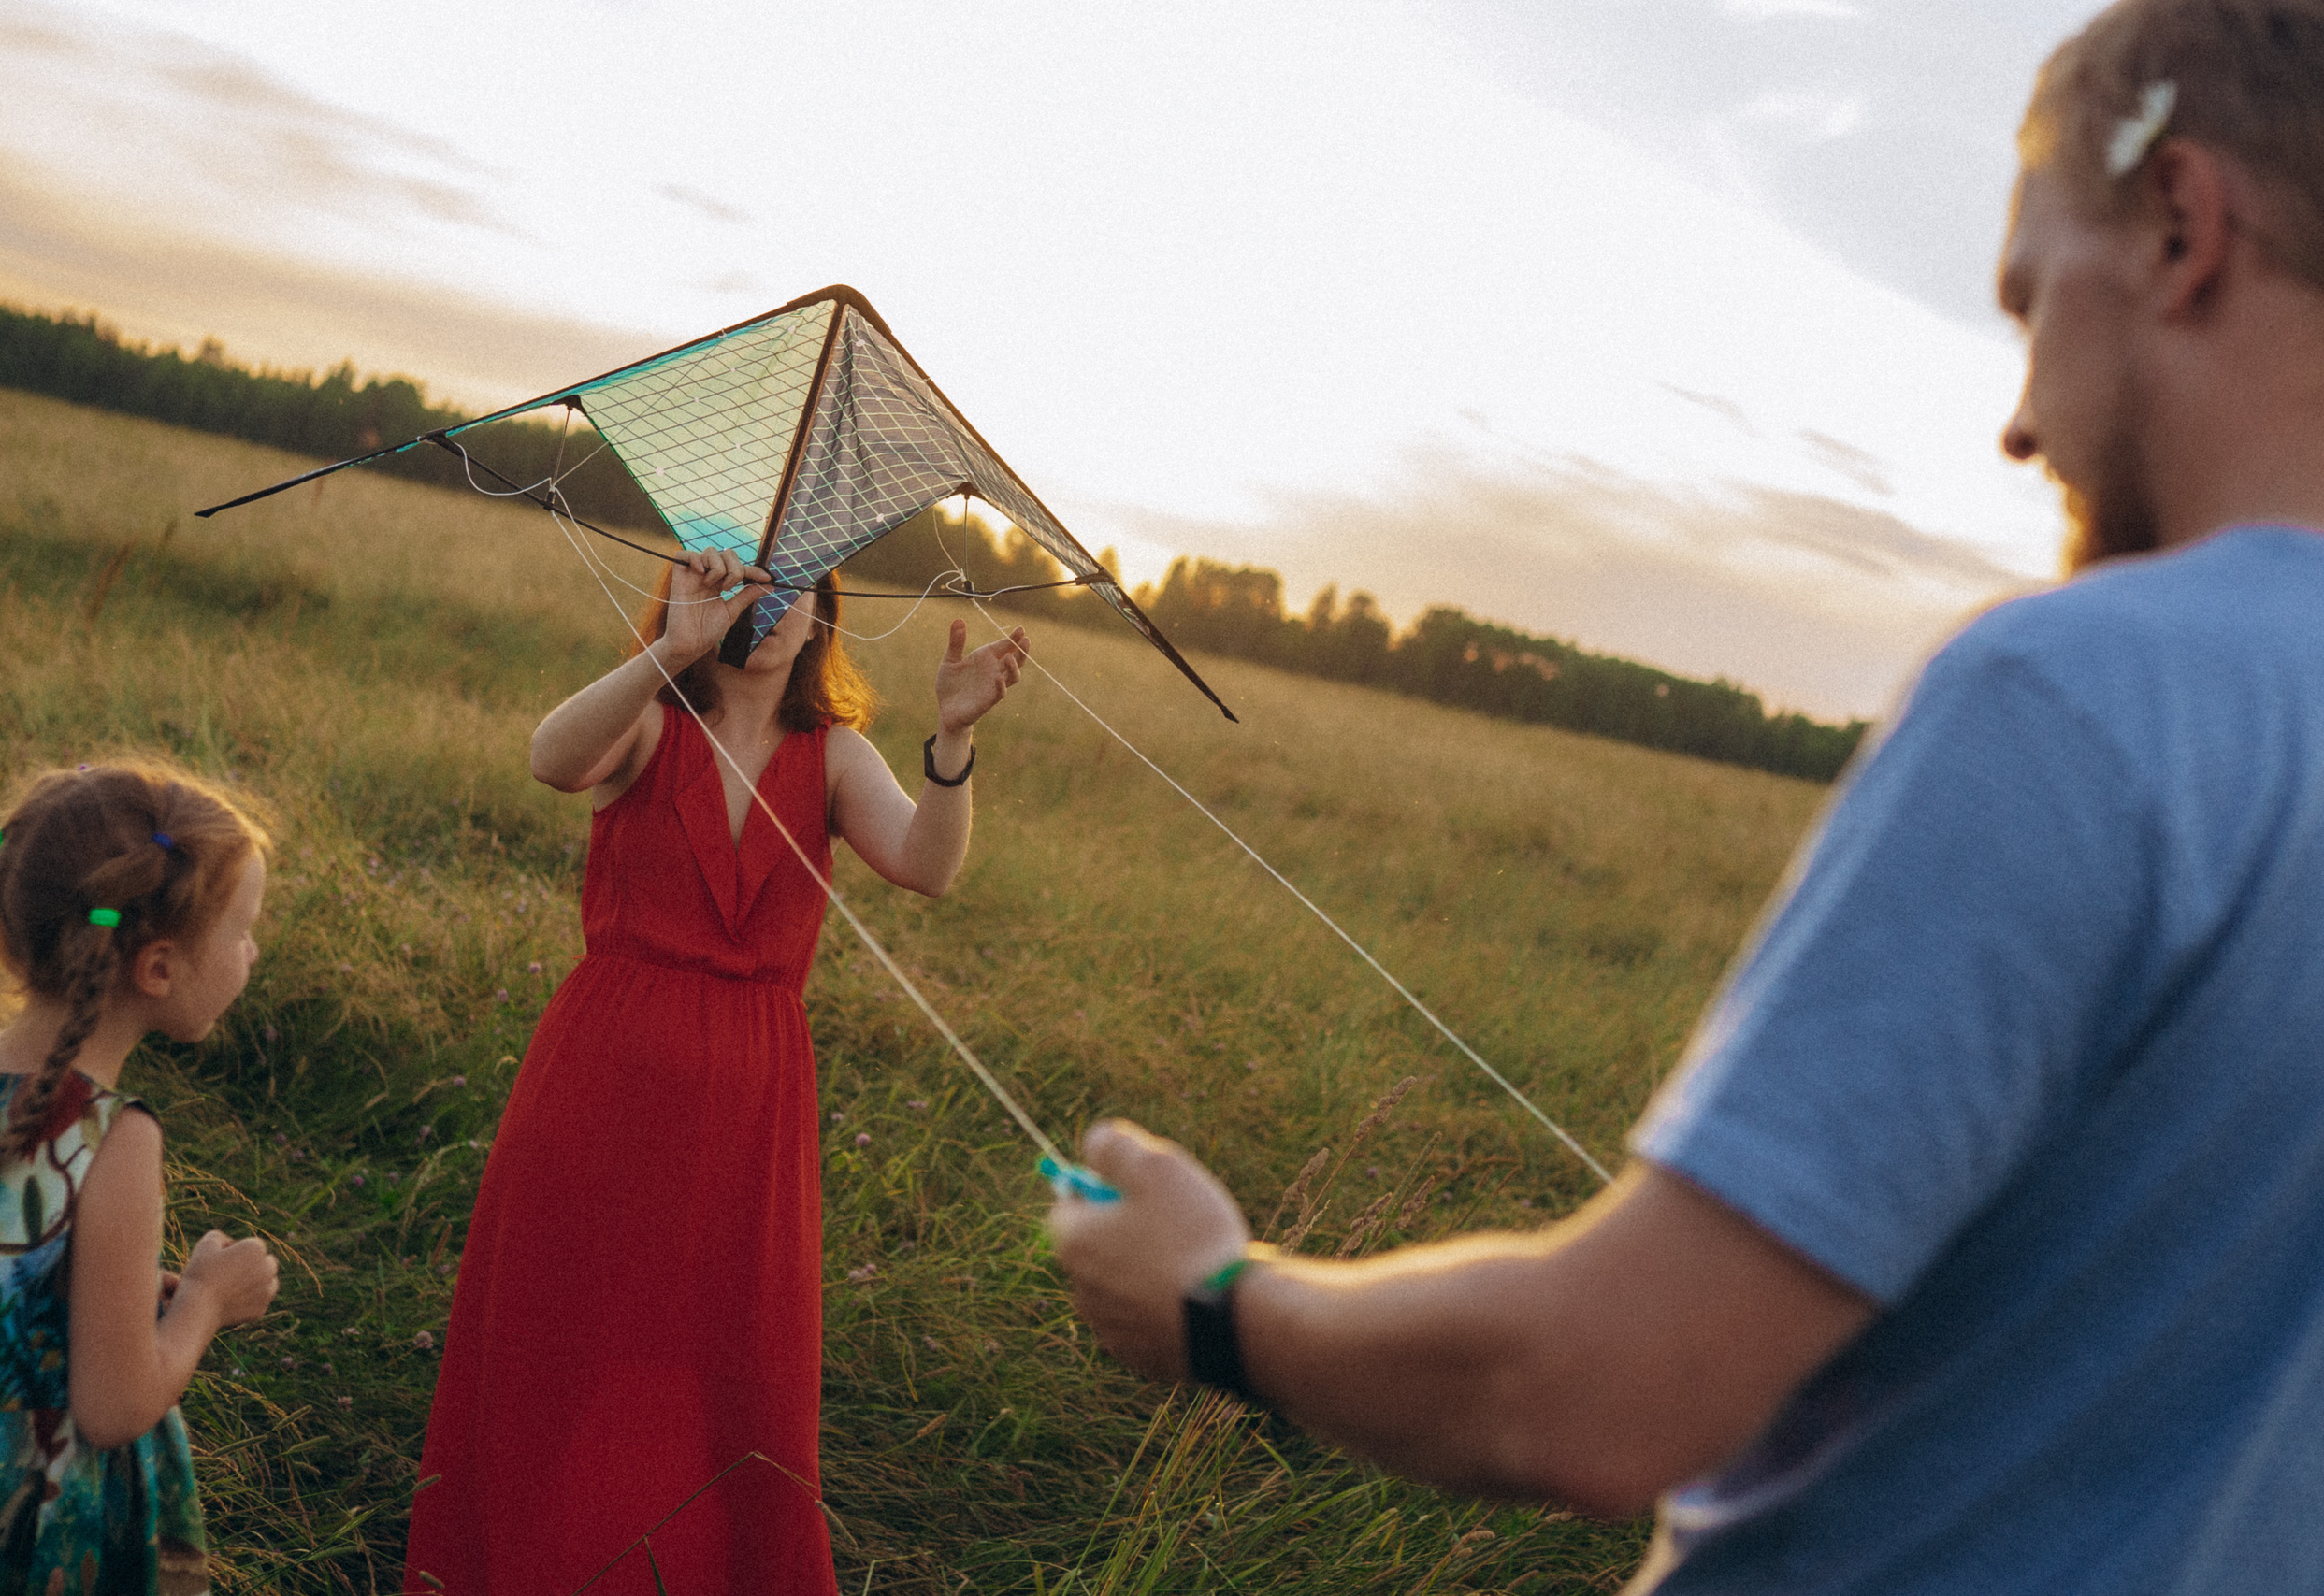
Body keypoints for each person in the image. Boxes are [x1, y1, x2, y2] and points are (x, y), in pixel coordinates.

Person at [1050, 1, 2324, 1589]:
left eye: (2028, 298)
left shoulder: (2079, 688)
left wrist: (1216, 1302)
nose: (2017, 421)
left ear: (2182, 225)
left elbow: (1594, 1392)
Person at [406, 550, 1029, 1595]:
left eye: (797, 592)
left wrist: (953, 740)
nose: (772, 611)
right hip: (601, 1077)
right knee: (567, 1333)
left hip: (752, 1099)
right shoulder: (651, 721)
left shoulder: (833, 758)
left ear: (825, 617)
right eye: (750, 585)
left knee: (723, 1355)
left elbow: (927, 865)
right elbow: (551, 759)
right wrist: (669, 650)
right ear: (708, 595)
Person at [0, 762, 282, 1593]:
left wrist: (95, 1293)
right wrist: (206, 1300)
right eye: (243, 930)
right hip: (28, 1515)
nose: (253, 949)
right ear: (158, 968)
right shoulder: (115, 1137)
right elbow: (115, 1405)